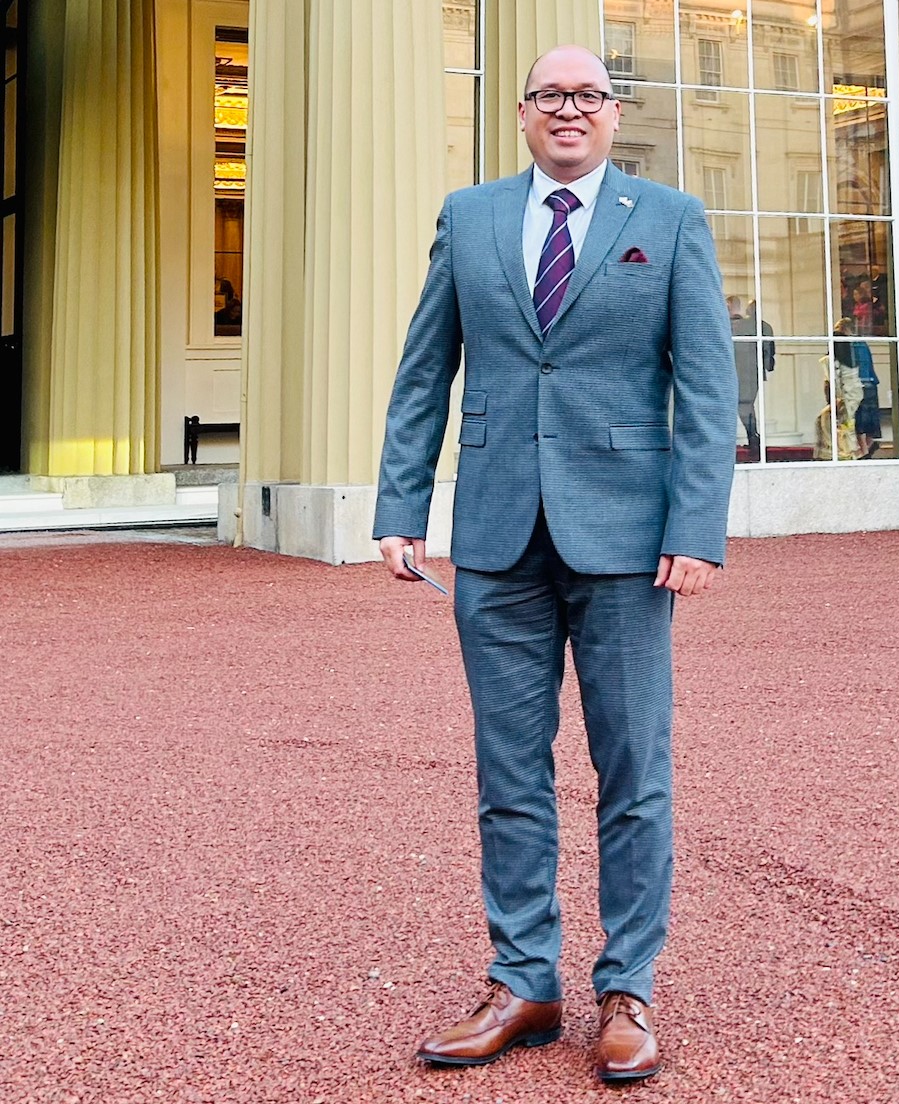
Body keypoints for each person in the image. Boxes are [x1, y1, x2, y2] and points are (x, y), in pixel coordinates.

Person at [372, 45, 737, 1083]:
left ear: (613, 115)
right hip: (494, 540)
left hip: (627, 544)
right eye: (548, 96)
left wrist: (693, 528)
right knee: (507, 773)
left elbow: (706, 391)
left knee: (630, 772)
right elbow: (423, 372)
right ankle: (524, 980)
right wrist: (401, 506)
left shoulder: (667, 222)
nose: (567, 110)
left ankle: (627, 989)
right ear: (523, 115)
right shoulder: (471, 216)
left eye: (587, 96)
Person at [727, 295, 775, 461]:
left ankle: (753, 438)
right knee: (746, 405)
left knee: (744, 405)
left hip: (743, 371)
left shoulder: (741, 325)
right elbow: (769, 354)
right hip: (751, 371)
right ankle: (753, 438)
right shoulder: (764, 326)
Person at [834, 318, 881, 459]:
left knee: (858, 419)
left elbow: (850, 367)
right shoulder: (862, 343)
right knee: (870, 419)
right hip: (870, 382)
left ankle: (864, 451)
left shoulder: (848, 345)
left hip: (857, 384)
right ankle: (868, 446)